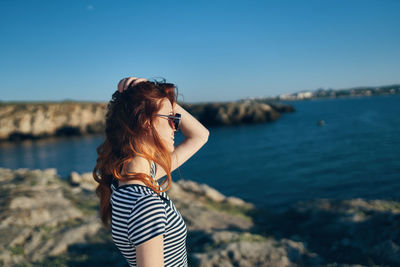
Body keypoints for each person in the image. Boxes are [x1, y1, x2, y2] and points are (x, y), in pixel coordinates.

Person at [93, 76, 209, 267]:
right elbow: (199, 136)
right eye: (172, 119)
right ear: (145, 121)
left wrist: (161, 101)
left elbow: (201, 135)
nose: (176, 126)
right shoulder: (145, 203)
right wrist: (155, 101)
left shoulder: (125, 179)